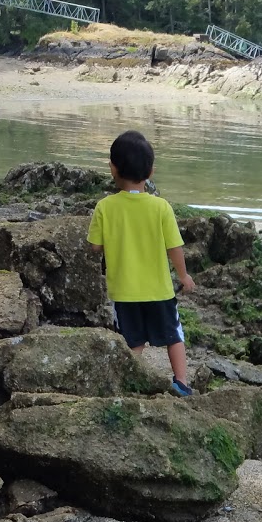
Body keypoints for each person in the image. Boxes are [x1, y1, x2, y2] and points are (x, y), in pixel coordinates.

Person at [87, 130, 195, 396]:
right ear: (151, 171)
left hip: (124, 291)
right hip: (159, 289)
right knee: (174, 336)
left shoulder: (105, 207)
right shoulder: (161, 208)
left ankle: (127, 384)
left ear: (113, 168)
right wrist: (184, 276)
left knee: (132, 340)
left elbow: (95, 246)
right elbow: (174, 247)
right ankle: (180, 382)